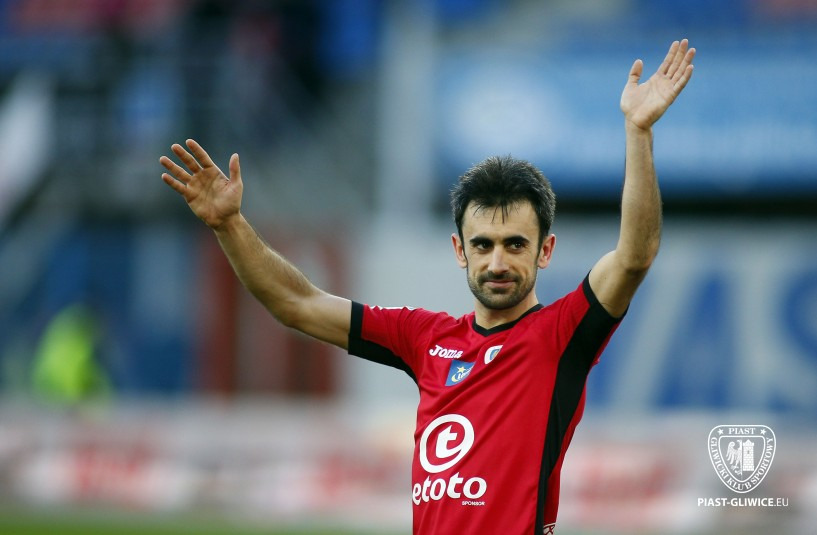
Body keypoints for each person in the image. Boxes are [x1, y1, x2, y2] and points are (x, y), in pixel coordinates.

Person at [160, 39, 695, 535]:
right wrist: (229, 225)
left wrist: (638, 133)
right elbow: (296, 304)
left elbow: (634, 257)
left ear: (545, 251)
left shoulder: (562, 335)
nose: (498, 262)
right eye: (483, 245)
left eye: (515, 244)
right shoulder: (424, 338)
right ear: (460, 251)